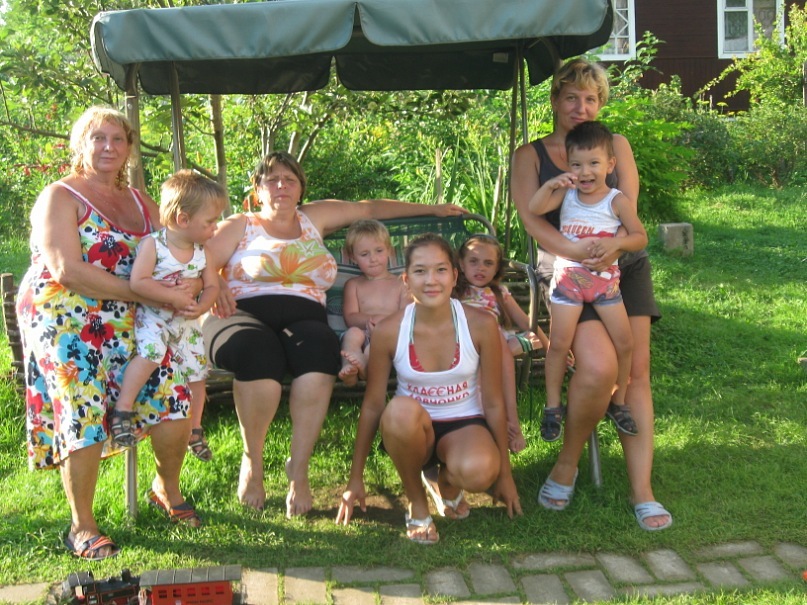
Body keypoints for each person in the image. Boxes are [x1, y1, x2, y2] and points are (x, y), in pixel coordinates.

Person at [203, 151, 466, 517]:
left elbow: (369, 207)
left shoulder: (314, 217)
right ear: (257, 189)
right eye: (271, 180)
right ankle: (253, 462)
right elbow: (200, 257)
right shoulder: (240, 224)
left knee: (320, 354)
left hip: (304, 318)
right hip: (241, 314)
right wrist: (216, 282)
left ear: (301, 189)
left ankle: (298, 468)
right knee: (256, 352)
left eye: (289, 180)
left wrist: (432, 209)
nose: (281, 186)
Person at [16, 106, 200, 561]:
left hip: (134, 315)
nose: (108, 147)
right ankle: (82, 525)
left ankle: (166, 488)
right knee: (83, 402)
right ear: (80, 144)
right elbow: (67, 270)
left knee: (174, 393)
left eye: (118, 139)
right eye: (98, 138)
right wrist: (148, 293)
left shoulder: (141, 201)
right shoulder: (59, 196)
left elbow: (178, 247)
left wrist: (201, 284)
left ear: (130, 148)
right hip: (66, 315)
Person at [511, 57, 672, 530]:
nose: (580, 107)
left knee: (636, 372)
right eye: (571, 97)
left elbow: (628, 209)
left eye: (590, 98)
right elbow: (533, 220)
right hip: (567, 271)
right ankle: (567, 462)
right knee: (599, 369)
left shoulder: (615, 145)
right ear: (555, 100)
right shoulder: (530, 156)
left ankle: (642, 490)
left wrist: (613, 249)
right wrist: (579, 252)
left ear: (599, 103)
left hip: (623, 267)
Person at [336, 234, 522, 544]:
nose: (431, 280)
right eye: (420, 271)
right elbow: (373, 405)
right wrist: (355, 478)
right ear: (406, 280)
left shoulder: (481, 324)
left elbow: (492, 402)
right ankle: (417, 502)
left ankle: (444, 483)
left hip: (464, 422)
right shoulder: (389, 330)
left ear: (455, 276)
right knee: (398, 411)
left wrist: (505, 474)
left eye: (440, 270)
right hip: (411, 429)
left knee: (479, 472)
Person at [528, 121, 647, 442]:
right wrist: (551, 185)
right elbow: (534, 208)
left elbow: (639, 236)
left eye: (594, 163)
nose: (585, 172)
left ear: (610, 164)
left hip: (605, 285)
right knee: (559, 345)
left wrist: (617, 243)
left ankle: (618, 402)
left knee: (626, 344)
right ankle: (553, 405)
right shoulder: (567, 194)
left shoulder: (617, 200)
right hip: (569, 282)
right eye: (577, 164)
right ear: (569, 166)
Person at [111, 170, 226, 465]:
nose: (215, 227)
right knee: (150, 355)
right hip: (154, 318)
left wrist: (202, 307)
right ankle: (123, 408)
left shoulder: (203, 252)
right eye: (210, 222)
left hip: (186, 323)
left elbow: (212, 286)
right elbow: (138, 282)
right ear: (183, 219)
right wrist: (171, 297)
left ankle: (195, 429)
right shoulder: (154, 245)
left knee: (198, 374)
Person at [454, 233, 549, 453]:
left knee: (517, 341)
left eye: (488, 263)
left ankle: (511, 421)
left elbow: (526, 322)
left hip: (495, 343)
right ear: (461, 264)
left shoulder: (499, 293)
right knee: (498, 351)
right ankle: (497, 425)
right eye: (473, 261)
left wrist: (551, 348)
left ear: (497, 268)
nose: (480, 268)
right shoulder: (454, 291)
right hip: (466, 343)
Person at [338, 219, 412, 386]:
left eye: (379, 251)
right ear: (353, 257)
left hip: (391, 334)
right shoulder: (353, 284)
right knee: (352, 334)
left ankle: (366, 369)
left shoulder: (401, 283)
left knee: (375, 345)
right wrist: (372, 320)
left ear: (389, 251)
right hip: (363, 331)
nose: (373, 259)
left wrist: (383, 324)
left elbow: (406, 315)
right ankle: (350, 368)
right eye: (364, 254)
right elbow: (350, 317)